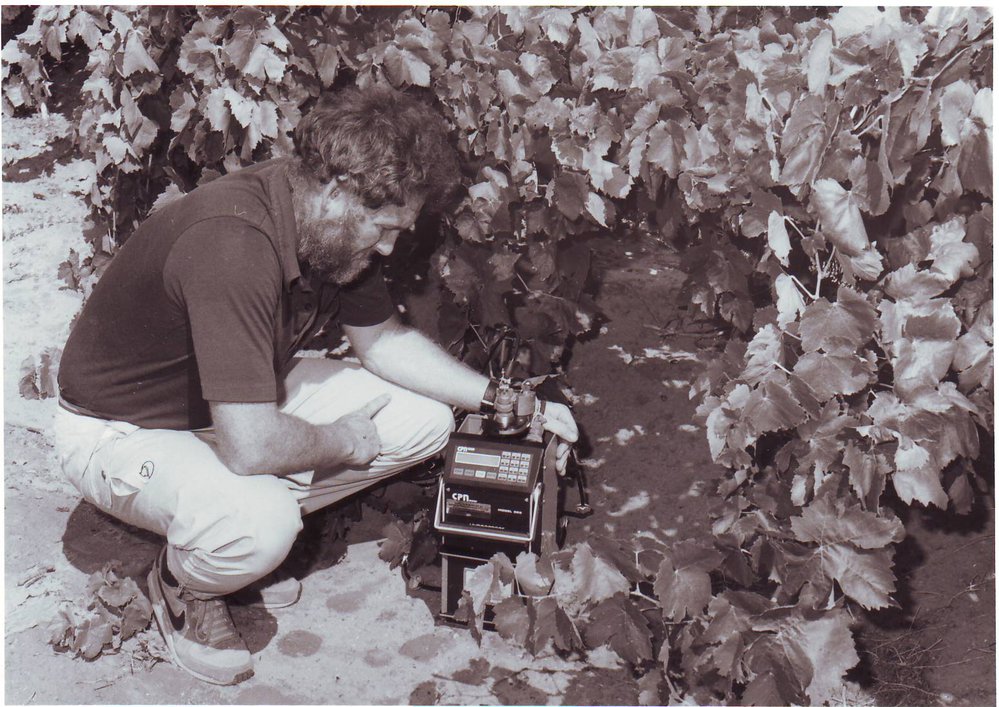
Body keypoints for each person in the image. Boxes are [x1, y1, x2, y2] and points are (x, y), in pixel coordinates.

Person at [53, 85, 578, 686]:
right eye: (383, 228)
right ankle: (187, 580)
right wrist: (337, 442)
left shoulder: (324, 228)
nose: (389, 246)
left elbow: (382, 341)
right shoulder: (233, 243)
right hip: (120, 430)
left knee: (425, 421)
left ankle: (230, 541)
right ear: (337, 192)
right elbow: (251, 444)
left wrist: (505, 398)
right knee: (260, 523)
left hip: (219, 407)